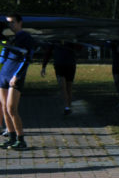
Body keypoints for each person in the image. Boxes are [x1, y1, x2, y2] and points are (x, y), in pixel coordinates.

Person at [0, 14, 35, 150]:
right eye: (8, 23)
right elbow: (3, 58)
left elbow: (27, 59)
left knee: (11, 109)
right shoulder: (11, 38)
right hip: (3, 75)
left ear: (20, 23)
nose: (10, 25)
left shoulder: (26, 37)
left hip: (15, 77)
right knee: (4, 109)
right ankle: (11, 137)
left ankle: (21, 140)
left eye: (13, 22)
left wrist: (16, 76)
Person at [40, 39, 78, 115]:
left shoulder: (70, 37)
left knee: (69, 87)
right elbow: (48, 52)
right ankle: (66, 107)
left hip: (70, 64)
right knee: (62, 86)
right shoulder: (54, 39)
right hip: (59, 65)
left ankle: (69, 106)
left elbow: (79, 47)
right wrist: (44, 66)